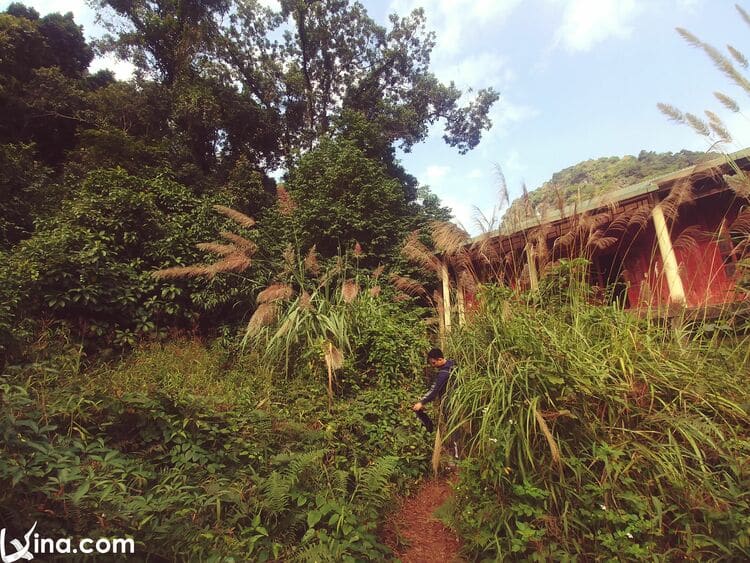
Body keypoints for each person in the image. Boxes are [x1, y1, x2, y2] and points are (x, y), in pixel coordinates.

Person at [412, 348, 456, 433]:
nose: (433, 365)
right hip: (455, 401)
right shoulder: (452, 363)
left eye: (434, 363)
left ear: (440, 359)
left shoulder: (444, 373)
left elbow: (434, 390)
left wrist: (421, 402)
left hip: (450, 404)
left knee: (451, 426)